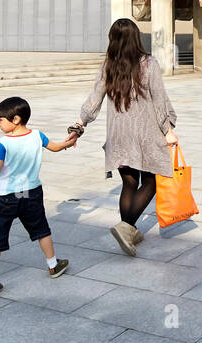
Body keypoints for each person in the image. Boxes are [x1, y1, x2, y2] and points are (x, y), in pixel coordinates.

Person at [68, 18, 179, 256]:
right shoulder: (148, 63)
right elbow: (159, 99)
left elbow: (93, 99)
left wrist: (80, 123)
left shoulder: (108, 65)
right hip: (145, 134)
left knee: (129, 183)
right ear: (136, 37)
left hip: (118, 136)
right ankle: (126, 228)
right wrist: (168, 129)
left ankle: (127, 230)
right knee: (151, 182)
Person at [0, 96, 75, 296]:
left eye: (1, 119)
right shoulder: (37, 135)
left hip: (5, 197)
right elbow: (55, 147)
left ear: (16, 119)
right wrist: (69, 142)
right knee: (41, 229)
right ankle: (53, 265)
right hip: (31, 193)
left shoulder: (3, 143)